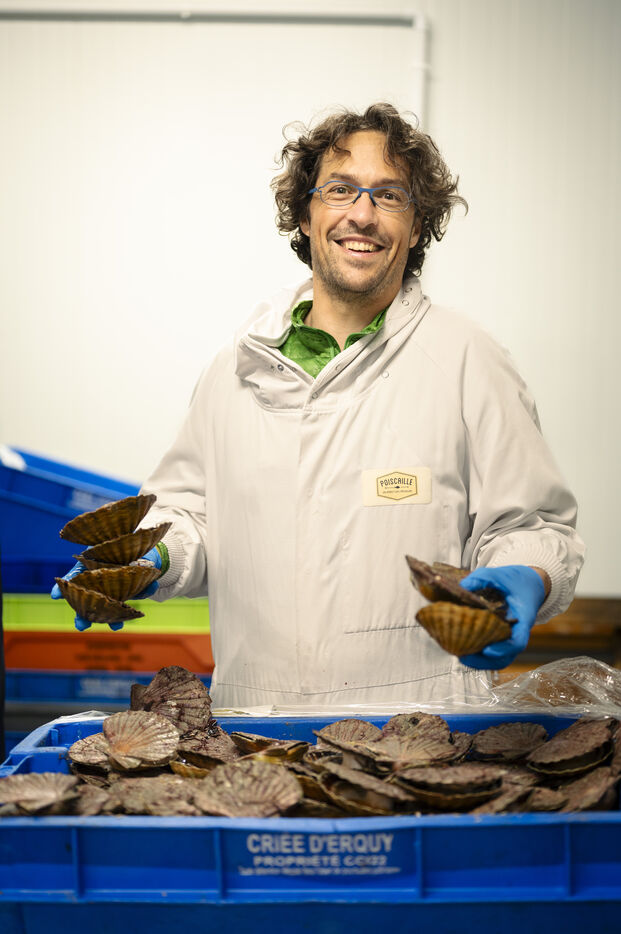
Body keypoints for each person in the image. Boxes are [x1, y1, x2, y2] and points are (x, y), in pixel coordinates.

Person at [53, 103, 584, 709]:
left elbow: (532, 527)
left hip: (422, 733)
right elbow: (193, 517)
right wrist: (154, 555)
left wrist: (527, 574)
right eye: (340, 189)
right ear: (305, 215)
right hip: (256, 730)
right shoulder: (234, 371)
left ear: (417, 227)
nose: (363, 214)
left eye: (391, 196)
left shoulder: (468, 358)